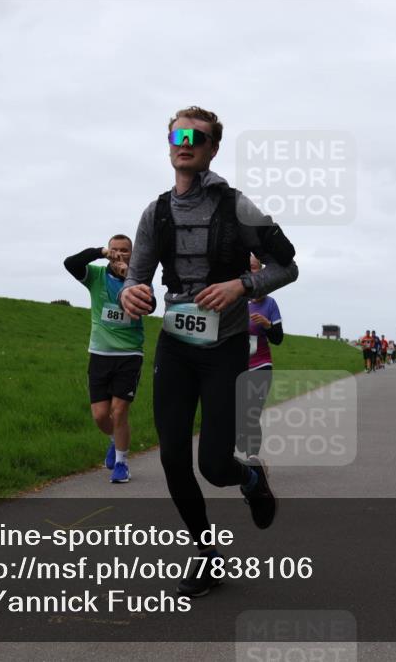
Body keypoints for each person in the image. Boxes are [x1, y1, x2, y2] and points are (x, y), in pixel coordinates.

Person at [119, 107, 298, 598]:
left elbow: (287, 266)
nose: (186, 143)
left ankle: (250, 478)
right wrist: (131, 294)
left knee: (215, 467)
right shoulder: (155, 213)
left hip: (225, 348)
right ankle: (207, 555)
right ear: (168, 143)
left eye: (197, 137)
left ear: (213, 148)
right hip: (176, 346)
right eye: (178, 135)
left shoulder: (237, 206)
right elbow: (135, 277)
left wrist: (241, 285)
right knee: (173, 458)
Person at [64, 235, 146, 483]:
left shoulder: (139, 277)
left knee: (119, 412)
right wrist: (100, 252)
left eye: (125, 250)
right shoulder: (95, 275)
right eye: (114, 249)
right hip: (100, 354)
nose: (119, 253)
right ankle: (114, 440)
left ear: (133, 254)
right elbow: (70, 263)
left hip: (129, 354)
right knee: (100, 416)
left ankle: (121, 463)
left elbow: (149, 305)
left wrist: (129, 279)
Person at [240, 254, 284, 458]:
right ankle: (241, 437)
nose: (251, 272)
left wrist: (267, 325)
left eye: (254, 267)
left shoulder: (270, 304)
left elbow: (278, 339)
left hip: (261, 366)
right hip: (237, 366)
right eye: (247, 268)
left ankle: (253, 459)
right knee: (237, 412)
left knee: (252, 413)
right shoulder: (237, 301)